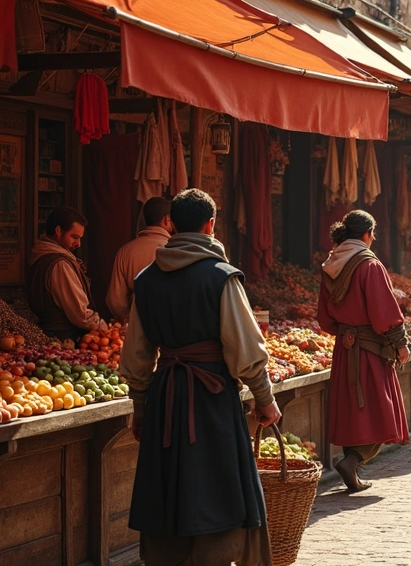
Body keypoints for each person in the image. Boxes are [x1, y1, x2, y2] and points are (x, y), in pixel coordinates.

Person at [119, 188, 279, 566]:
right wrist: (265, 398)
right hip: (212, 395)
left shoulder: (146, 281)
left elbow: (137, 355)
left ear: (172, 225)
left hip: (164, 395)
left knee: (168, 483)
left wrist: (141, 407)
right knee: (215, 481)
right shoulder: (221, 276)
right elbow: (245, 347)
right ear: (211, 225)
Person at [317, 210, 411, 491]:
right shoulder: (370, 265)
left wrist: (347, 332)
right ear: (368, 234)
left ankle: (352, 471)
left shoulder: (331, 263)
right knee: (382, 409)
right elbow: (384, 311)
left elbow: (325, 318)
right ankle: (353, 460)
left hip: (345, 349)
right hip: (370, 348)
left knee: (351, 408)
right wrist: (400, 342)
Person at [27, 207, 106, 339]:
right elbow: (79, 314)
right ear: (58, 231)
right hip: (64, 336)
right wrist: (102, 327)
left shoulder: (40, 254)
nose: (78, 244)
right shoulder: (60, 264)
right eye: (74, 237)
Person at [107, 197, 174, 321]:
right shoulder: (175, 250)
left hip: (133, 325)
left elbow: (115, 300)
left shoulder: (125, 251)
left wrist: (130, 321)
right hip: (168, 327)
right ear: (167, 219)